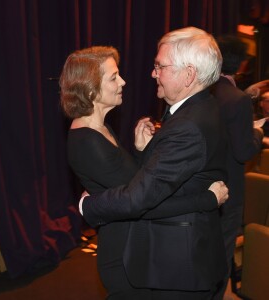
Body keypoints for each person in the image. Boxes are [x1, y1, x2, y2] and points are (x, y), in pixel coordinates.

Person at [60, 45, 228, 299]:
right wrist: (207, 199)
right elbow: (141, 202)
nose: (123, 81)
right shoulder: (87, 140)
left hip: (135, 246)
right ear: (90, 88)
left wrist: (140, 152)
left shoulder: (100, 129)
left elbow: (134, 185)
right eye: (114, 77)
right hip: (122, 256)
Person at [210, 35, 264, 299]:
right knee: (222, 249)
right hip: (229, 187)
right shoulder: (239, 100)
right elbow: (244, 151)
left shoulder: (205, 91)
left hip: (205, 184)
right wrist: (256, 131)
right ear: (242, 64)